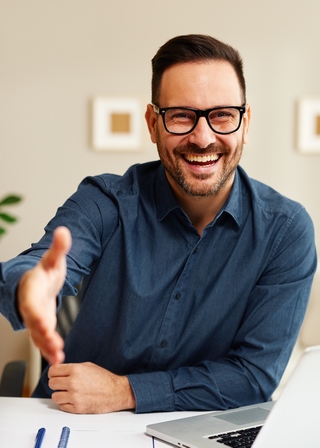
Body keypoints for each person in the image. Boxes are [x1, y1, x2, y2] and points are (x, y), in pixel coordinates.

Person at [0, 34, 317, 415]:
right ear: (153, 124)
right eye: (182, 115)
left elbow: (253, 377)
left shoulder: (285, 231)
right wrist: (29, 288)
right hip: (68, 421)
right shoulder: (106, 201)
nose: (203, 138)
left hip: (195, 433)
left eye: (222, 115)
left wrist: (125, 391)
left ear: (245, 124)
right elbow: (40, 264)